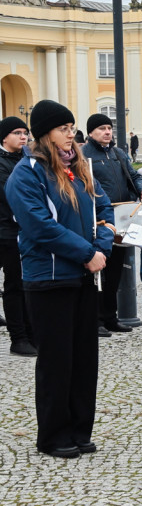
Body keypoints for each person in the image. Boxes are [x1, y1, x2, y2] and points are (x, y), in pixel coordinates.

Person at [6, 100, 114, 458]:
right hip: (50, 279)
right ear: (45, 134)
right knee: (57, 361)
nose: (72, 135)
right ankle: (54, 435)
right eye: (63, 129)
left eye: (72, 128)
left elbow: (105, 209)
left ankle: (81, 428)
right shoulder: (28, 173)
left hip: (83, 277)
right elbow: (40, 227)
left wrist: (102, 246)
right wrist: (87, 253)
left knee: (84, 358)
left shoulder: (79, 169)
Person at [81, 113, 142, 336]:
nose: (107, 132)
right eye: (101, 128)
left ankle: (110, 316)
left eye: (109, 128)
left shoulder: (118, 153)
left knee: (116, 270)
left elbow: (134, 175)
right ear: (90, 133)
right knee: (98, 272)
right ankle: (94, 318)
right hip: (98, 219)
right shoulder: (83, 155)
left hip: (122, 217)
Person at [0, 117, 34, 356]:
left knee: (28, 284)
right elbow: (12, 195)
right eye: (17, 133)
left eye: (25, 133)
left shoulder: (27, 159)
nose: (23, 137)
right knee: (14, 285)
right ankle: (18, 337)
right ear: (4, 137)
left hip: (27, 231)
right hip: (7, 232)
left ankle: (31, 333)